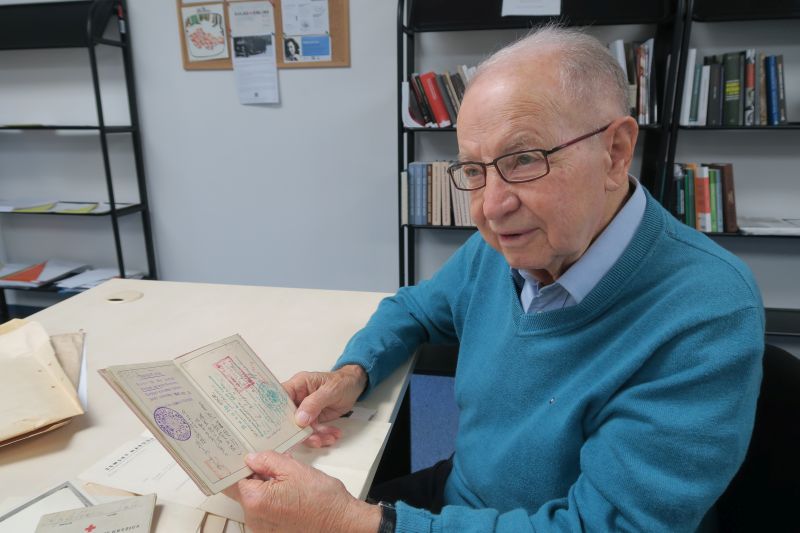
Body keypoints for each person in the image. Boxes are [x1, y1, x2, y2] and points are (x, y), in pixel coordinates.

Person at [224, 25, 765, 532]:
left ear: (615, 152)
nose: (491, 207)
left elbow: (602, 525)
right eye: (474, 170)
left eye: (524, 159)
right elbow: (414, 309)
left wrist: (359, 522)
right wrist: (353, 373)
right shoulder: (508, 248)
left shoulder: (706, 313)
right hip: (463, 497)